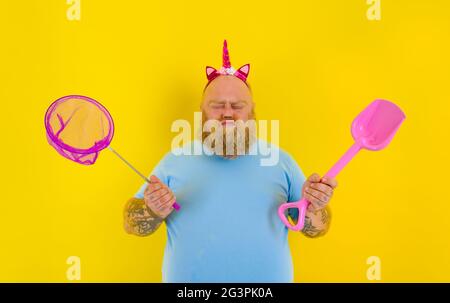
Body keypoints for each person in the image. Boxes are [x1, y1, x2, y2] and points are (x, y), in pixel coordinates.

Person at [123, 40, 338, 282]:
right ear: (202, 111)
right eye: (217, 106)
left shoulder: (281, 161)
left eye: (237, 105)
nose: (227, 113)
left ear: (252, 111)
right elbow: (132, 223)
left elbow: (316, 229)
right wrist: (152, 209)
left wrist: (315, 207)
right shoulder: (174, 161)